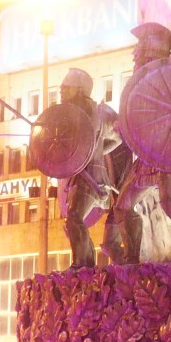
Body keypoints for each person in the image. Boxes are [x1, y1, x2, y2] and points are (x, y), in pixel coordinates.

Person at [104, 23, 171, 263]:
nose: (136, 56)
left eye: (141, 52)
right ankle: (131, 256)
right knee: (123, 206)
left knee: (170, 202)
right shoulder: (139, 85)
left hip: (168, 151)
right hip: (147, 155)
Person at [57, 68, 121, 269]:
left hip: (92, 177)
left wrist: (98, 152)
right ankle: (84, 263)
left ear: (79, 89)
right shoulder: (68, 115)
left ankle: (83, 265)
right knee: (74, 221)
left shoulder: (96, 113)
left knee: (74, 219)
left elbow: (119, 136)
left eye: (65, 88)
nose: (61, 91)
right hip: (79, 175)